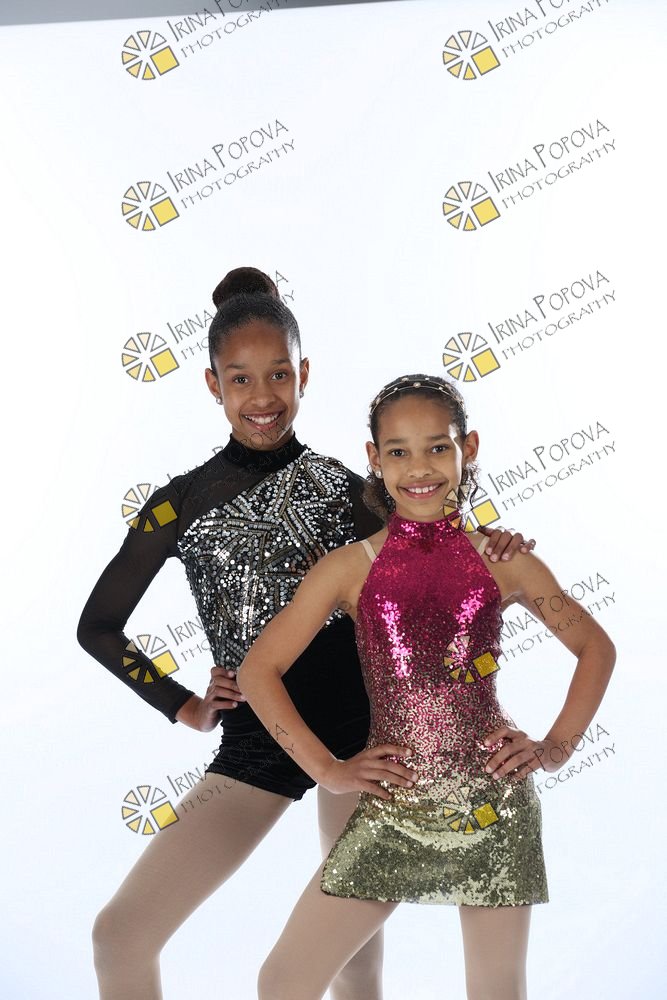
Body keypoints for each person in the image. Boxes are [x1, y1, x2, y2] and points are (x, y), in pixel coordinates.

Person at [76, 273, 533, 1000]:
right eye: (240, 378)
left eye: (279, 374)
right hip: (259, 741)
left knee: (354, 962)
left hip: (364, 738)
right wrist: (183, 705)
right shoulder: (176, 505)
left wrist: (498, 543)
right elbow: (98, 627)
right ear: (212, 384)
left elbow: (436, 547)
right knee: (120, 934)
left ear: (304, 374)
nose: (262, 396)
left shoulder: (348, 487)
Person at [236, 373, 616, 1000]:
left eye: (438, 447)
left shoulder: (504, 559)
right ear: (374, 457)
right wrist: (326, 769)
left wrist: (554, 748)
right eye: (398, 451)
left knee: (497, 988)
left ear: (469, 448)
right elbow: (258, 670)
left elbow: (595, 647)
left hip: (491, 802)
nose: (419, 468)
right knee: (284, 980)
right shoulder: (349, 567)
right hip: (394, 804)